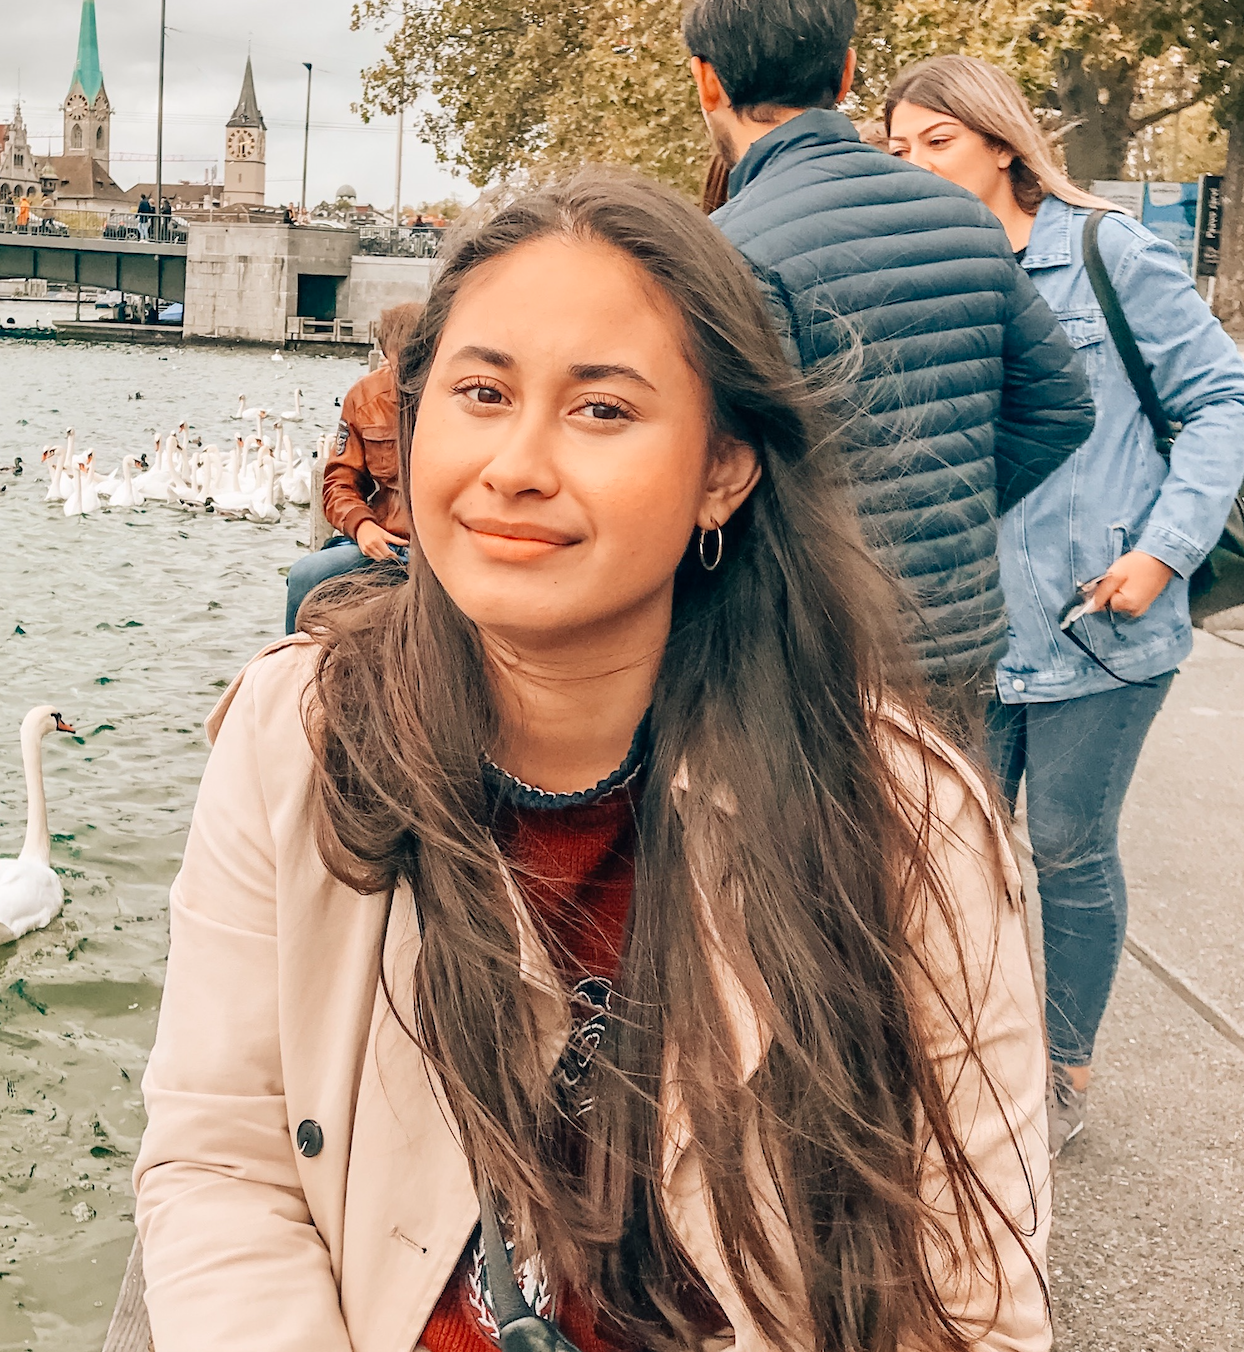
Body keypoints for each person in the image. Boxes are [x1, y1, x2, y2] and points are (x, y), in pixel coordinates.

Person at [135, 169, 1049, 1352]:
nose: (515, 463)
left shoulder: (905, 813)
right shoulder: (293, 738)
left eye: (602, 409)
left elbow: (972, 1293)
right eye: (480, 391)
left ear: (725, 467)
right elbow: (222, 1156)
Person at [886, 56, 1244, 1156]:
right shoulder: (931, 273)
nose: (914, 166)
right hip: (965, 622)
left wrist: (1161, 551)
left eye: (936, 142)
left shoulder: (1108, 249)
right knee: (952, 849)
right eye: (899, 150)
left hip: (1102, 618)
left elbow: (1223, 400)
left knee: (1066, 842)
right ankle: (958, 1053)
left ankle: (1060, 1069)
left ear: (1001, 143)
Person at [683, 0, 1095, 731]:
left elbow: (715, 465)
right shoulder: (962, 218)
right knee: (947, 838)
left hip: (803, 643)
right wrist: (948, 509)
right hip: (955, 639)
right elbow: (1062, 406)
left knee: (804, 848)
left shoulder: (722, 250)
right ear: (844, 74)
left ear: (706, 81)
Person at [283, 301, 422, 633]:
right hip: (386, 543)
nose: (412, 378)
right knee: (304, 577)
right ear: (386, 355)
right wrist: (363, 527)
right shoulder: (364, 396)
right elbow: (339, 482)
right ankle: (288, 672)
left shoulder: (464, 395)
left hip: (447, 549)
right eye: (402, 365)